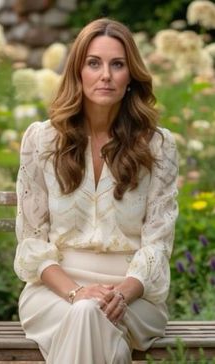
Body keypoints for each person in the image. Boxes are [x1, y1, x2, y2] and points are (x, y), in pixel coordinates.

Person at [14, 18, 179, 364]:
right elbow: (32, 240)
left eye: (117, 64)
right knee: (87, 314)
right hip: (54, 292)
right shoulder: (42, 141)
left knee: (89, 315)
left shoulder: (157, 146)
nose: (106, 75)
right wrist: (76, 292)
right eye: (94, 63)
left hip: (135, 295)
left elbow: (158, 242)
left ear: (130, 75)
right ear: (78, 72)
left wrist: (123, 292)